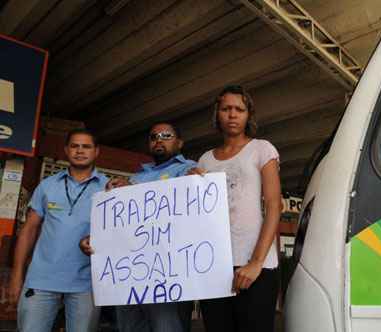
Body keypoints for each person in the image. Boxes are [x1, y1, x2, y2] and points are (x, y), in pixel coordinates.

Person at [80, 122, 196, 332]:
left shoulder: (189, 171)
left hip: (167, 276)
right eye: (153, 137)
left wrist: (195, 182)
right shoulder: (135, 178)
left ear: (179, 142)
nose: (158, 139)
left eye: (166, 135)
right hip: (130, 275)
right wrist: (99, 236)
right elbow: (120, 226)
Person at [193, 85, 282, 332]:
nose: (232, 114)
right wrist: (190, 185)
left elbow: (275, 205)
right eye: (226, 109)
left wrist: (255, 263)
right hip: (215, 265)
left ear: (248, 115)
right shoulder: (205, 160)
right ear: (217, 115)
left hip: (256, 265)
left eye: (239, 109)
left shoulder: (262, 149)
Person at [8, 128, 107, 332]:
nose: (80, 151)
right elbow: (28, 231)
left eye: (86, 146)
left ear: (96, 151)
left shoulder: (109, 188)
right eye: (74, 146)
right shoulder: (47, 185)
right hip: (41, 279)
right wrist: (17, 275)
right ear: (66, 150)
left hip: (87, 283)